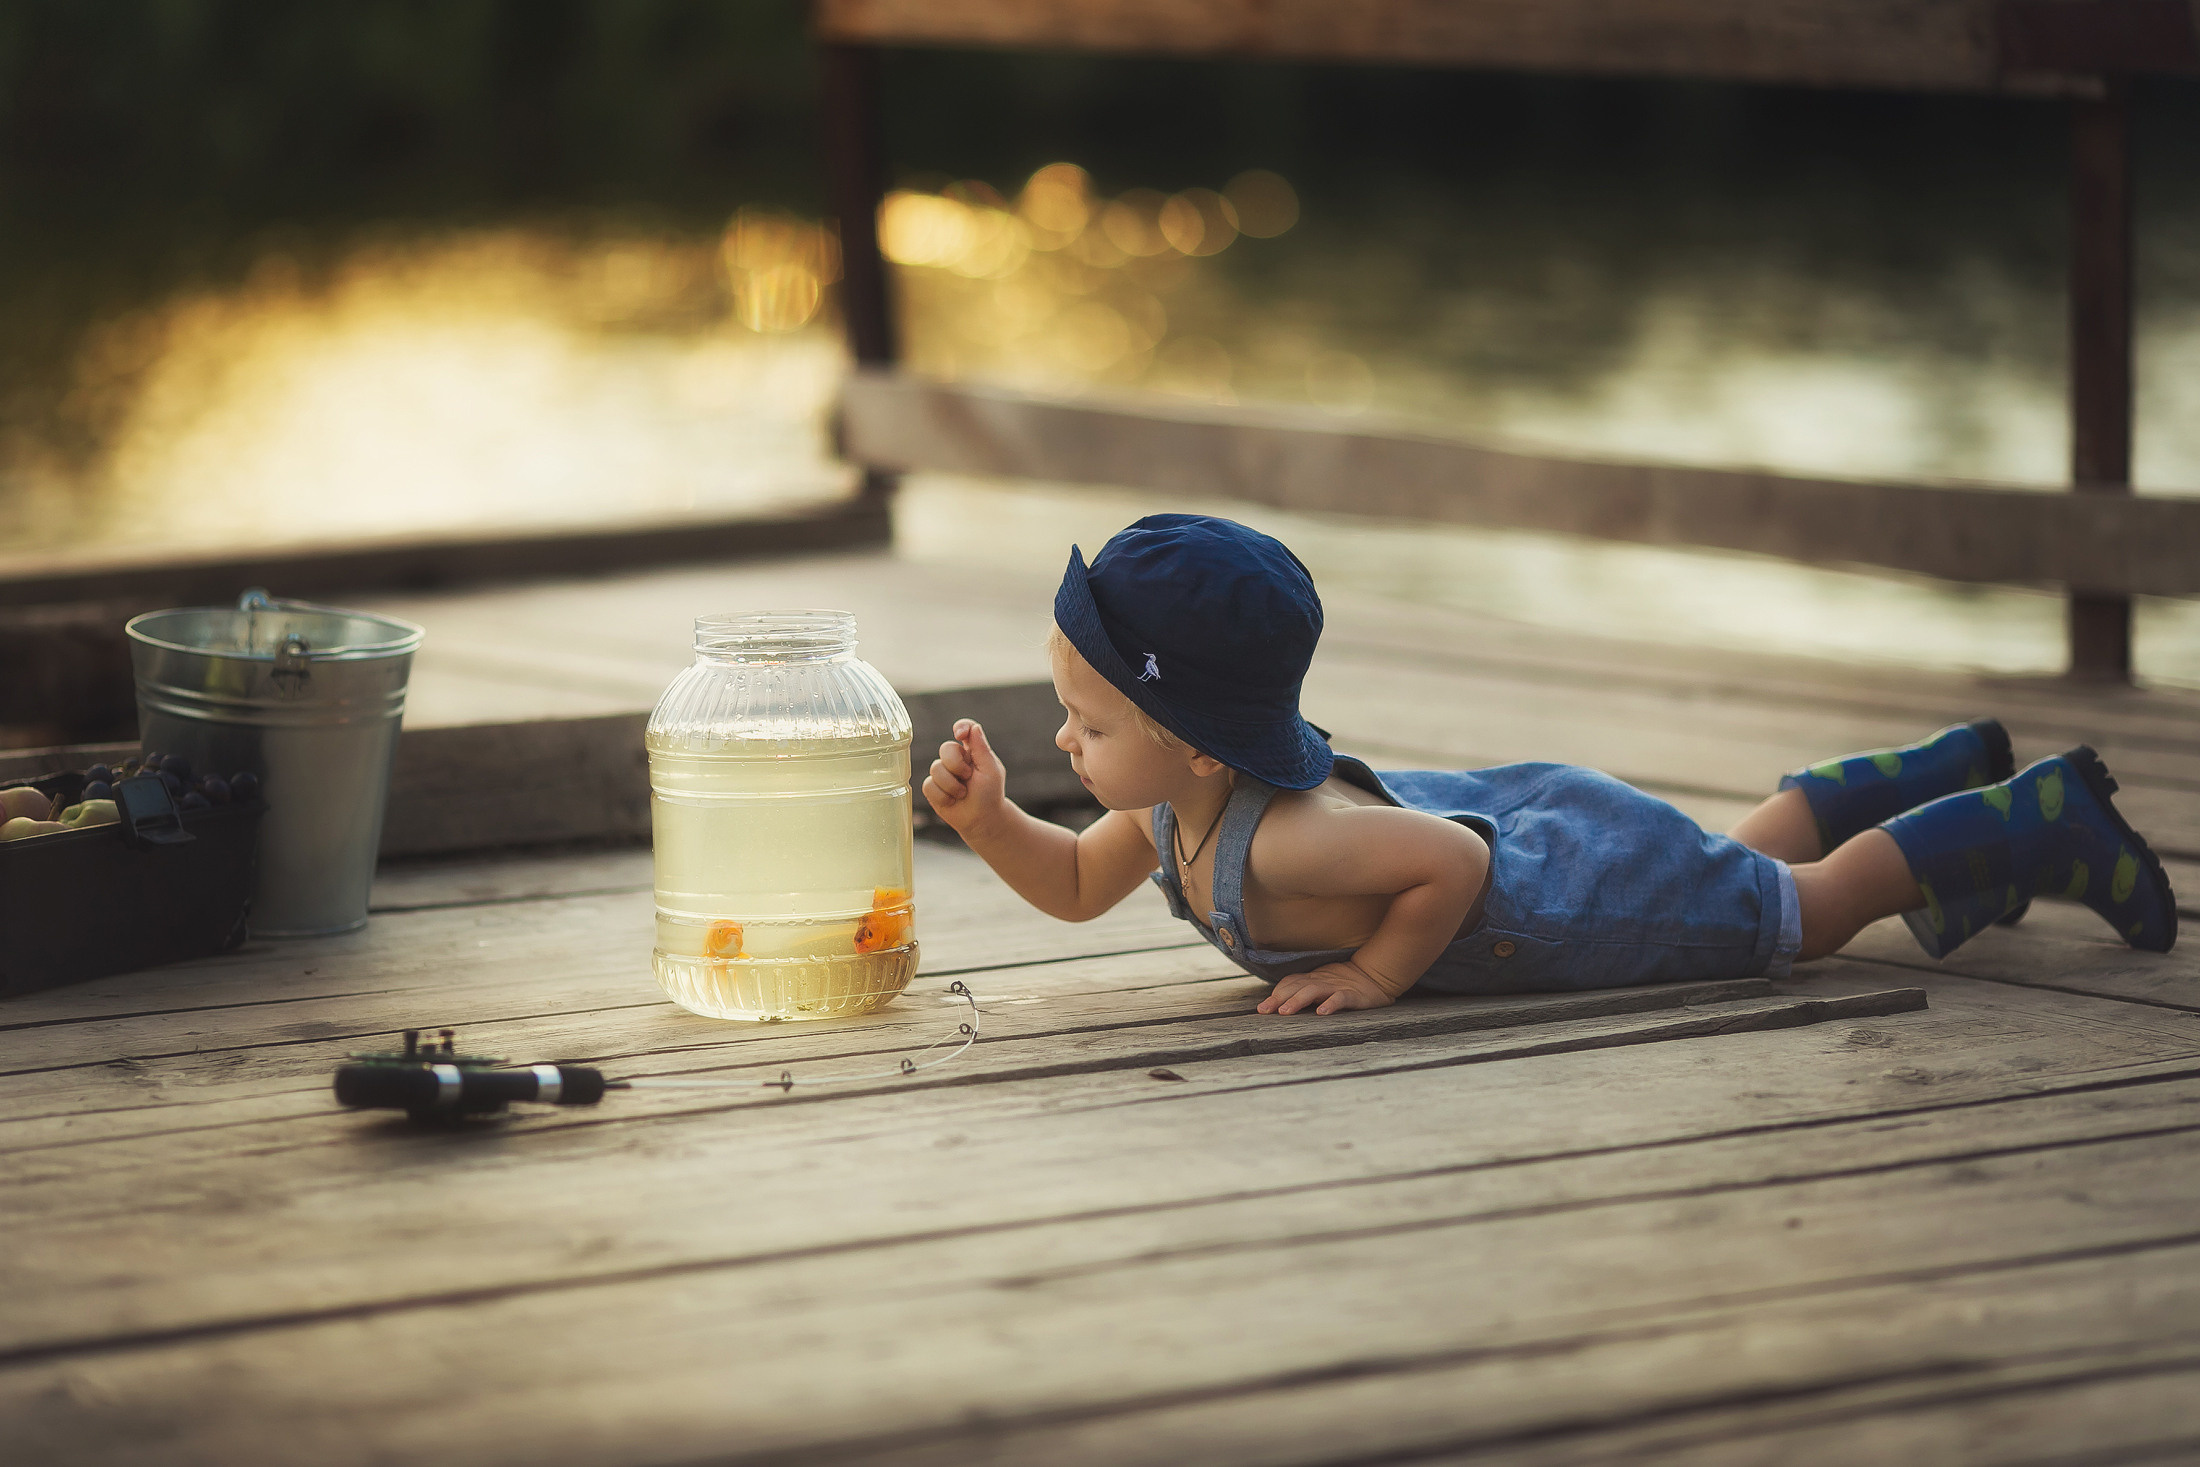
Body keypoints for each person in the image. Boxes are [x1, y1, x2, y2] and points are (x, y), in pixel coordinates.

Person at [921, 515, 2178, 1015]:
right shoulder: (1166, 809)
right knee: (1723, 864)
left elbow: (1450, 863)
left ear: (1192, 742)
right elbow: (1077, 888)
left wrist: (1372, 974)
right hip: (1556, 823)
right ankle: (1927, 773)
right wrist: (989, 825)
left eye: (1086, 720)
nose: (1064, 744)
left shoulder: (1289, 837)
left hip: (1560, 887)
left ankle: (2034, 815)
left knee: (1803, 912)